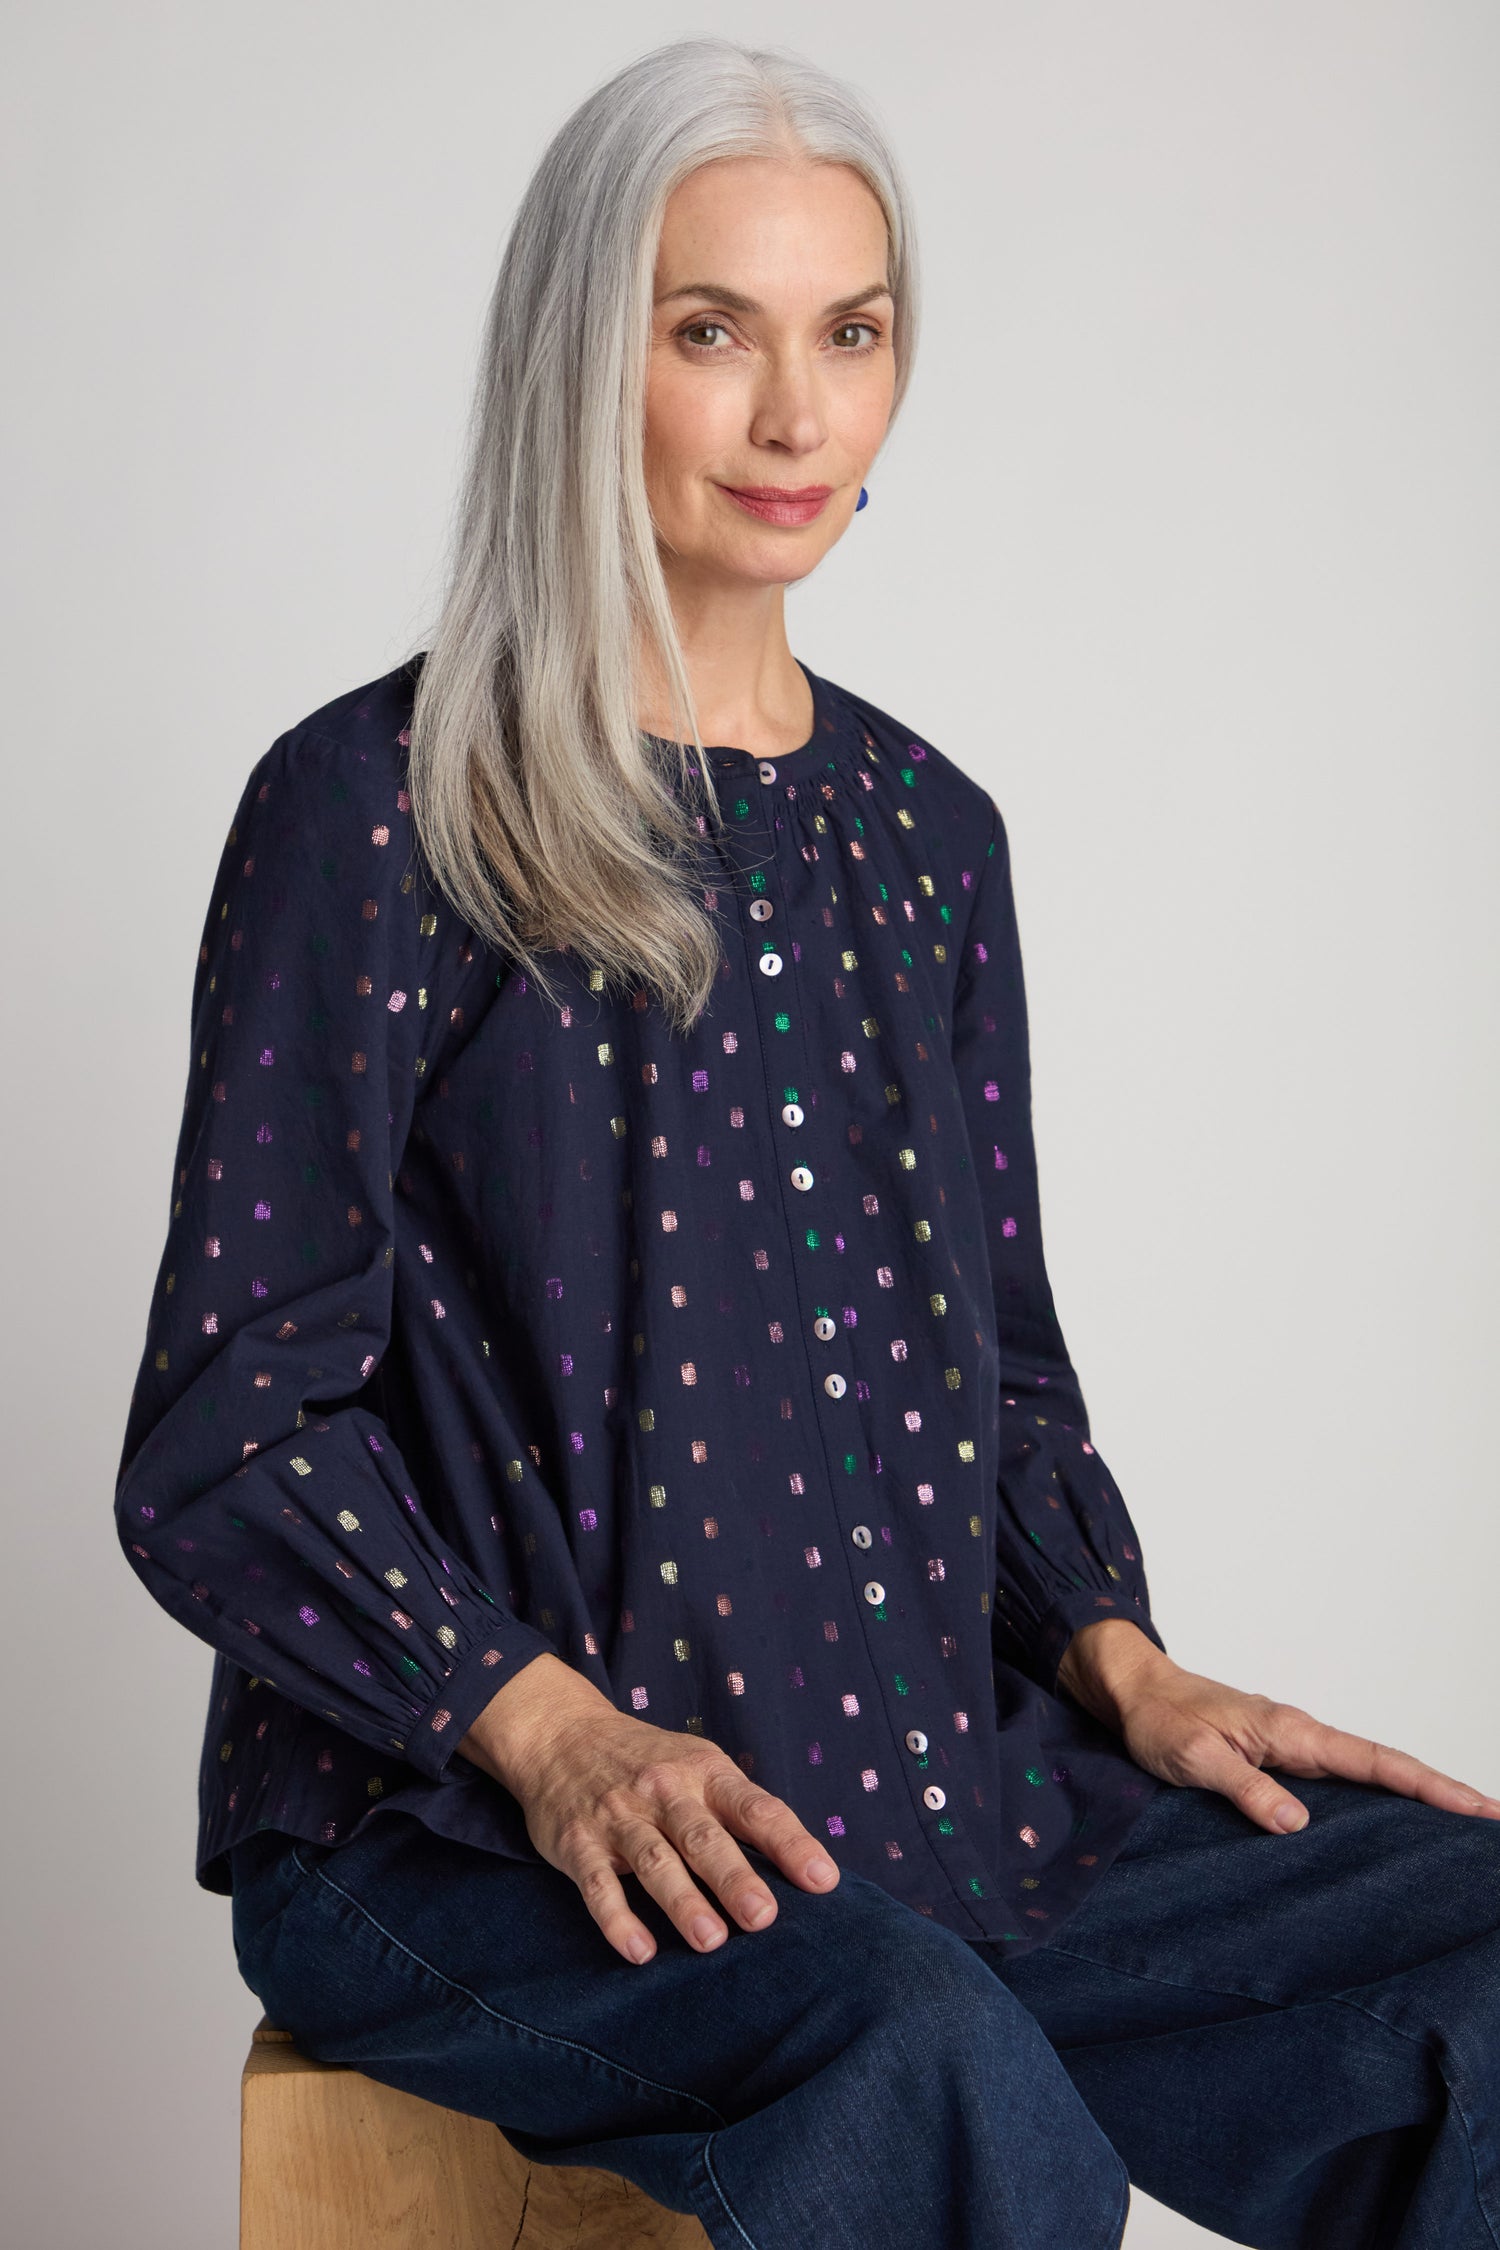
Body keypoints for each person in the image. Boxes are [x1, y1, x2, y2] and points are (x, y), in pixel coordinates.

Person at [113, 35, 1500, 2250]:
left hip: (923, 1776)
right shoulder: (377, 812)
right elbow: (227, 1437)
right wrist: (548, 1734)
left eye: (850, 334)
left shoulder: (931, 840)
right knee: (925, 2063)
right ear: (587, 359)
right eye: (710, 332)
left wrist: (1128, 1668)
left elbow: (1005, 1383)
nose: (796, 415)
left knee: (1478, 1955)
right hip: (453, 1830)